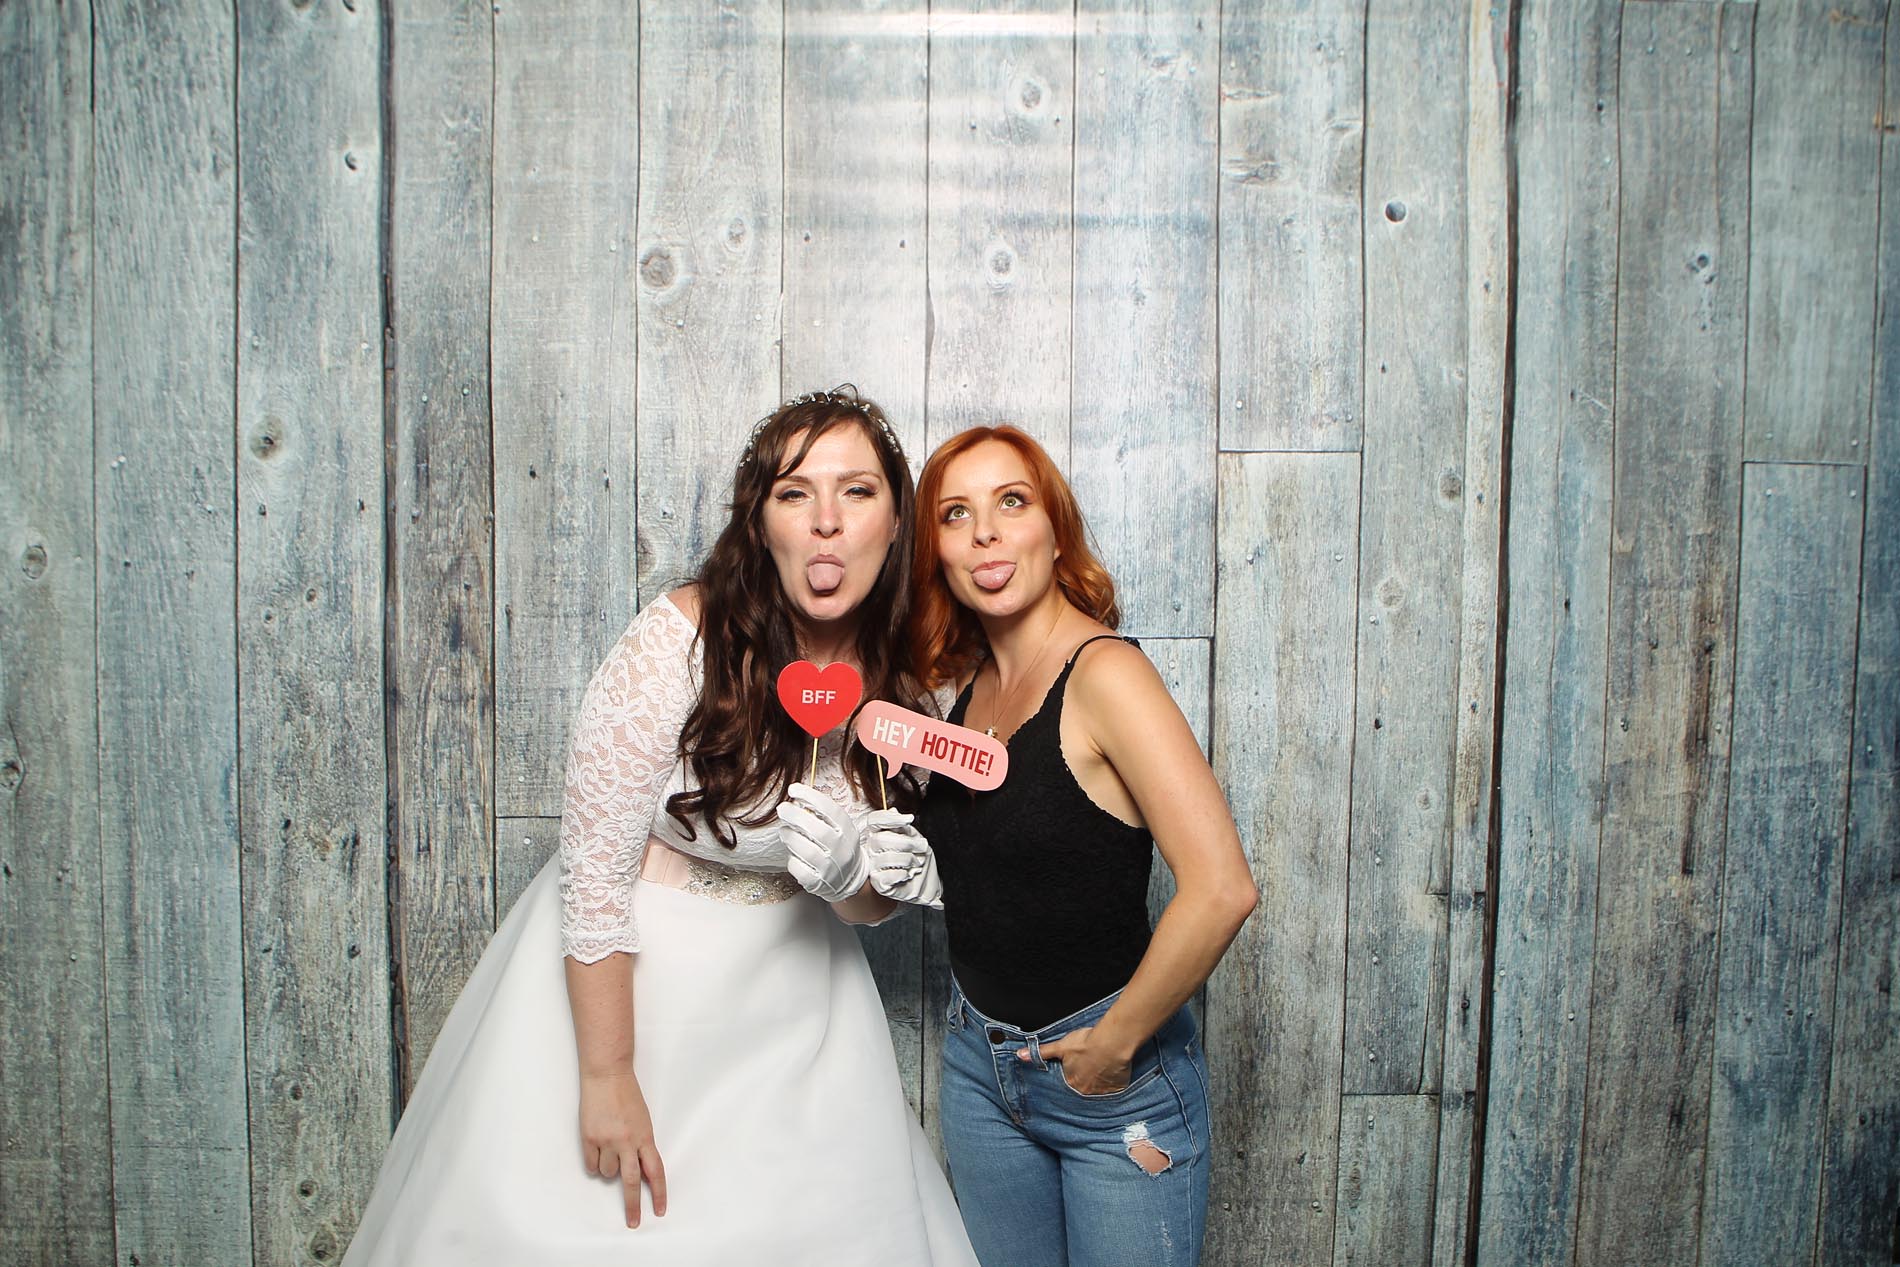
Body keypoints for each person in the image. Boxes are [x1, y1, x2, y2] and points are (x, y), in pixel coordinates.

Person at [341, 388, 977, 1266]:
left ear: (896, 520)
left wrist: (858, 881)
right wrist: (607, 1075)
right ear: (761, 523)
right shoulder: (680, 639)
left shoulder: (913, 688)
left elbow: (864, 907)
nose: (826, 520)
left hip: (797, 1008)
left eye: (857, 491)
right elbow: (593, 868)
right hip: (636, 991)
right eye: (794, 492)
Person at [881, 425, 1256, 1267]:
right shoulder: (969, 687)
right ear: (936, 552)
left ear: (1056, 530)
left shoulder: (1106, 674)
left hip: (1110, 1086)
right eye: (955, 513)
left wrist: (1114, 1044)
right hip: (979, 1068)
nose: (985, 532)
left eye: (1011, 502)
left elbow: (1222, 887)